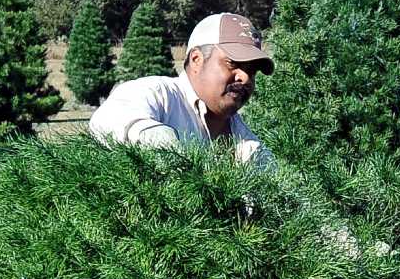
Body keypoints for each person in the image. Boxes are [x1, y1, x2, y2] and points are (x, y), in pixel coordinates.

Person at [87, 13, 275, 166]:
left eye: (252, 70)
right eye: (232, 63)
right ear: (196, 59)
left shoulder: (250, 145)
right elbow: (107, 120)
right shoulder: (158, 94)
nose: (245, 77)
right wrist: (166, 147)